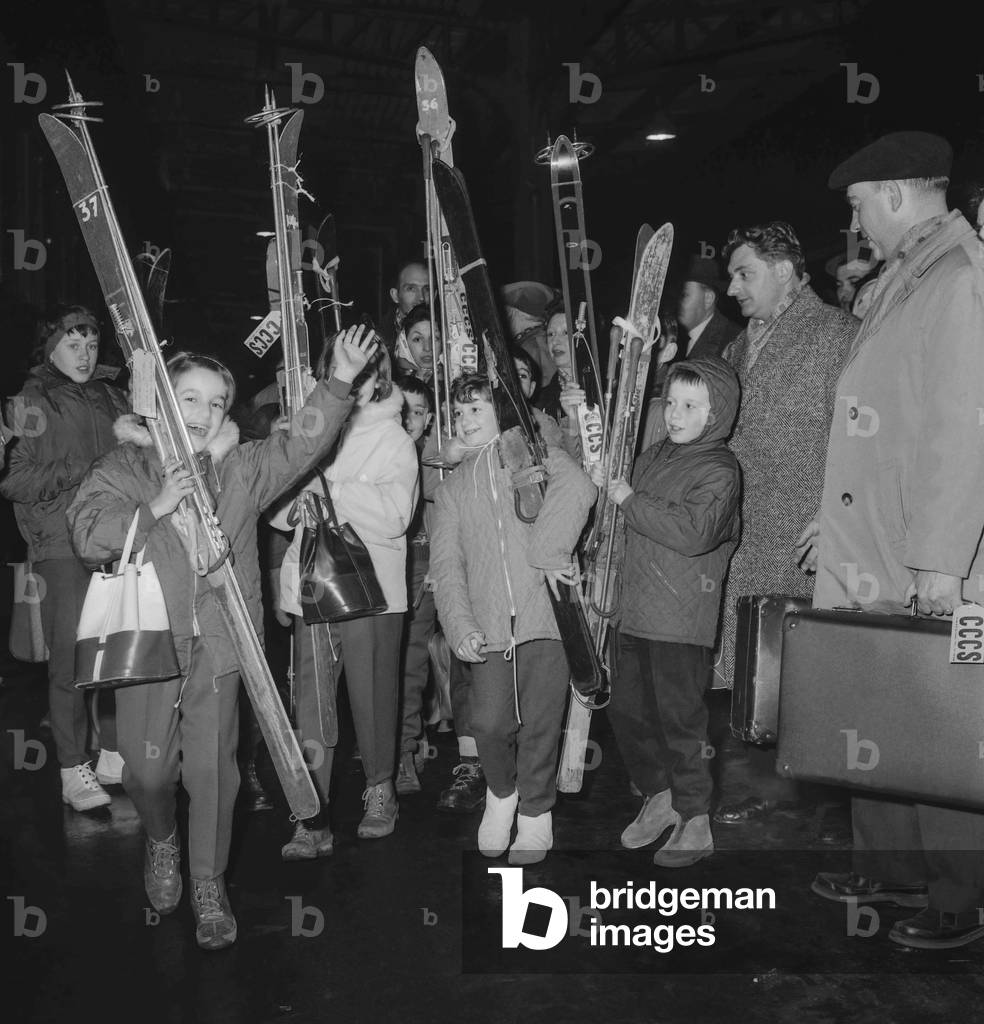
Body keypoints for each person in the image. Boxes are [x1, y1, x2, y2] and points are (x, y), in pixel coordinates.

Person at [67, 329, 377, 950]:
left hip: (221, 640)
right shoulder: (126, 466)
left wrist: (339, 380)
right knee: (148, 773)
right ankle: (161, 839)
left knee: (214, 775)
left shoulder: (244, 466)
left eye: (216, 402)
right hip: (149, 644)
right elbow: (87, 534)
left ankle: (209, 884)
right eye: (190, 399)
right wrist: (155, 506)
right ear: (160, 403)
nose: (205, 414)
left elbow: (301, 445)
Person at [802, 131, 984, 950]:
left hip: (934, 556)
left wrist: (942, 562)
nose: (856, 224)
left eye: (858, 205)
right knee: (874, 701)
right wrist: (832, 516)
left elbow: (962, 431)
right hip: (875, 541)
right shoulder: (908, 277)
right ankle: (892, 867)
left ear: (897, 193)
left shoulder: (957, 278)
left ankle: (957, 895)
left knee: (946, 716)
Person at [712, 221, 856, 830]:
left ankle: (817, 797)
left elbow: (861, 436)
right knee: (749, 664)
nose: (732, 288)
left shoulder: (838, 333)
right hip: (744, 532)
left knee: (800, 668)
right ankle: (758, 783)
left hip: (802, 531)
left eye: (743, 273)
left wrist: (839, 513)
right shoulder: (737, 347)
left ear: (783, 269)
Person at [430, 373, 595, 864]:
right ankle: (501, 796)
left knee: (542, 721)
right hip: (488, 624)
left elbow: (580, 486)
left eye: (476, 409)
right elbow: (446, 565)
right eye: (458, 413)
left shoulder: (530, 454)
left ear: (500, 411)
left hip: (547, 610)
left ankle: (536, 814)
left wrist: (550, 549)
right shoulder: (452, 489)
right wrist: (459, 625)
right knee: (490, 721)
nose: (465, 420)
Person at [592, 357, 740, 866]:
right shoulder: (654, 454)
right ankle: (659, 796)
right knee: (626, 709)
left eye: (690, 406)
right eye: (672, 402)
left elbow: (695, 532)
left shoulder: (720, 469)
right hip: (632, 611)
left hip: (681, 618)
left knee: (680, 719)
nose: (675, 414)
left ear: (715, 413)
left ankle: (696, 819)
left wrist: (630, 500)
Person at [273, 335, 418, 850]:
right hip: (314, 584)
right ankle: (311, 814)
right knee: (311, 702)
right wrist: (298, 502)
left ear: (380, 379)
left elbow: (397, 516)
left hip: (372, 589)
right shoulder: (309, 427)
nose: (355, 383)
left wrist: (330, 494)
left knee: (372, 693)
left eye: (365, 373)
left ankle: (381, 788)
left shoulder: (395, 440)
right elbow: (274, 507)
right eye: (343, 371)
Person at [0, 306, 130, 811]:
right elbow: (13, 479)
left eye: (91, 344)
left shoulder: (114, 395)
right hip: (59, 545)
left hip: (116, 541)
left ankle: (114, 753)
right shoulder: (30, 402)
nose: (84, 353)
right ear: (50, 347)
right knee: (71, 661)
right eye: (72, 344)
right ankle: (73, 769)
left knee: (119, 652)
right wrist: (79, 468)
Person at [394, 374, 439, 794]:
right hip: (374, 571)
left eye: (419, 411)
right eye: (402, 407)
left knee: (410, 664)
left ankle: (405, 751)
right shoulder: (371, 452)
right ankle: (384, 753)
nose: (410, 418)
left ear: (429, 419)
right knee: (377, 669)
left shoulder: (437, 459)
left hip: (421, 569)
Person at [676, 256, 741, 359]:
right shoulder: (675, 336)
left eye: (684, 295)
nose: (676, 302)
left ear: (708, 299)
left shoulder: (733, 344)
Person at [377, 260, 429, 357]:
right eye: (411, 288)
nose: (421, 297)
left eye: (427, 289)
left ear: (434, 295)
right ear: (395, 295)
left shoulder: (448, 335)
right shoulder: (379, 339)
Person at [393, 303, 438, 382]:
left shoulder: (454, 379)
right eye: (417, 339)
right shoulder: (392, 386)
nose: (427, 348)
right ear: (404, 344)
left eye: (434, 338)